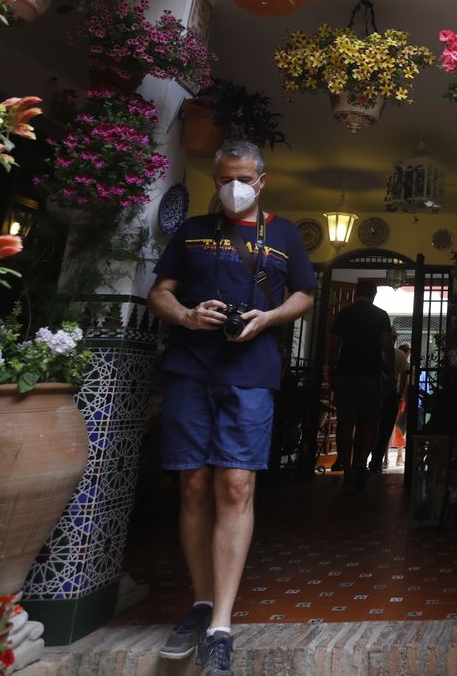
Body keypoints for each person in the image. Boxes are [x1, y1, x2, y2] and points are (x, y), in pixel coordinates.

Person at [147, 141, 317, 676]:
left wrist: (267, 318)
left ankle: (221, 622)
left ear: (261, 181)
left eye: (241, 178)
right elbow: (159, 293)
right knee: (194, 483)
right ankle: (200, 604)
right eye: (223, 178)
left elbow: (306, 294)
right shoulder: (191, 229)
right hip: (191, 368)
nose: (231, 187)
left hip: (251, 371)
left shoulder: (285, 233)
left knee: (237, 484)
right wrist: (186, 316)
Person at [328, 278, 394, 489]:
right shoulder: (380, 316)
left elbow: (334, 344)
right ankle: (360, 461)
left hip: (346, 374)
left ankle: (346, 467)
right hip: (370, 375)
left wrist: (332, 369)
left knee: (345, 423)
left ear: (357, 293)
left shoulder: (344, 314)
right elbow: (386, 346)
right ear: (374, 294)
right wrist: (390, 374)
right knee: (369, 422)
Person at [370, 335, 410, 472]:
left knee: (369, 427)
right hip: (391, 395)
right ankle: (375, 462)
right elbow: (405, 376)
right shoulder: (399, 355)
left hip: (373, 394)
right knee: (385, 430)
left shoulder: (373, 352)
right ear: (393, 339)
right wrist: (400, 394)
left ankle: (361, 460)